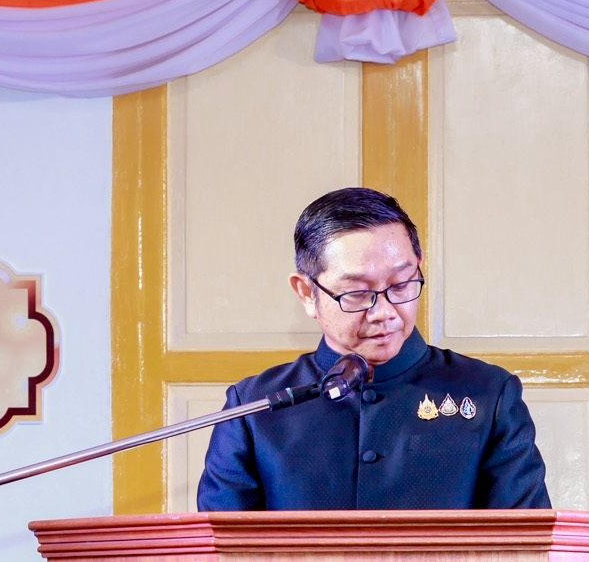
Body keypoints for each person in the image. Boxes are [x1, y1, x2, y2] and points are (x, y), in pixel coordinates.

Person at [195, 188, 550, 510]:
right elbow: (219, 550)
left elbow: (524, 546)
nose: (384, 312)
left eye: (401, 284)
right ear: (306, 293)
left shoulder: (489, 394)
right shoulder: (254, 407)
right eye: (357, 293)